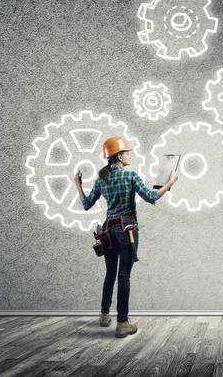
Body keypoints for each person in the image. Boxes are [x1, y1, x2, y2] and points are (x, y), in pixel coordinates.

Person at [73, 136, 178, 338]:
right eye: (127, 153)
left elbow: (86, 205)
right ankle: (122, 323)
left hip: (107, 232)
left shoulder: (101, 179)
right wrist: (171, 182)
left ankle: (104, 315)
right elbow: (151, 196)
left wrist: (78, 184)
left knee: (110, 274)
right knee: (124, 276)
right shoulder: (131, 176)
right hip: (126, 230)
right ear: (119, 156)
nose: (130, 156)